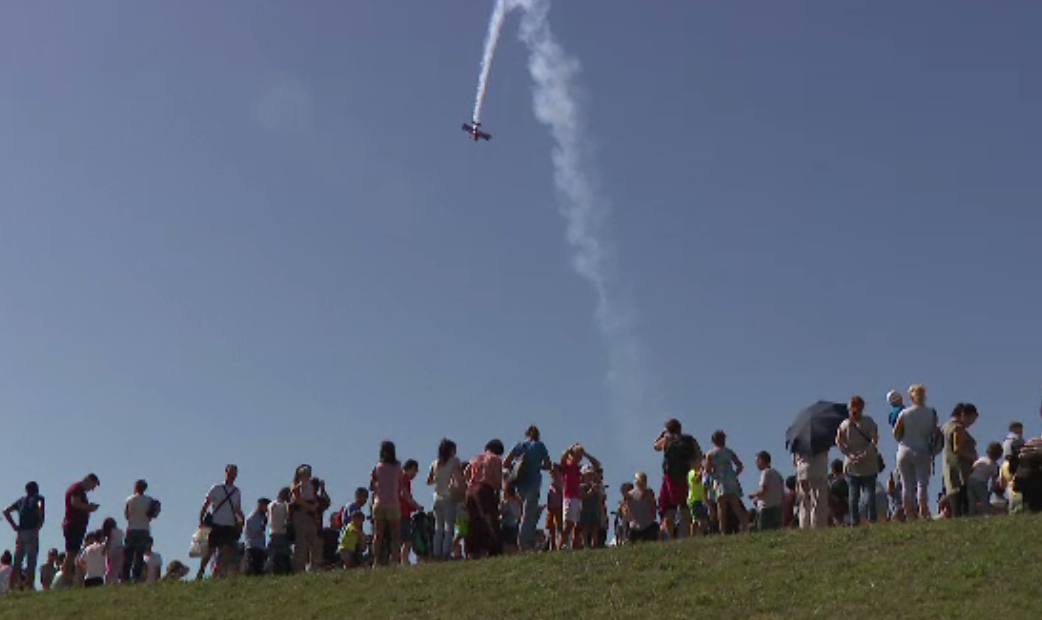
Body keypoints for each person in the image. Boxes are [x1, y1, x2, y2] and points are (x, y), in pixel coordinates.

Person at [503, 426, 552, 552]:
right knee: (528, 514)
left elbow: (505, 463)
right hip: (533, 483)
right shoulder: (540, 446)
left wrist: (515, 468)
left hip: (520, 484)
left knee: (524, 513)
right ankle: (524, 542)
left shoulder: (520, 446)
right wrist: (537, 466)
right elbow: (548, 465)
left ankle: (525, 540)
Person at [893, 384, 938, 520]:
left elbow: (896, 433)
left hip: (904, 449)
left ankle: (909, 513)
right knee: (922, 483)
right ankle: (923, 511)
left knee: (907, 484)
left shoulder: (904, 413)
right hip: (922, 449)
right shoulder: (931, 412)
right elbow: (934, 432)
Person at [836, 395, 881, 524]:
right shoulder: (869, 422)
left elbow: (838, 442)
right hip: (868, 463)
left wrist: (849, 455)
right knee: (869, 493)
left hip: (852, 464)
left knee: (853, 495)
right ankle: (871, 519)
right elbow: (875, 440)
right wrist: (865, 455)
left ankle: (855, 521)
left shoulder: (844, 424)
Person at [653, 419, 700, 540]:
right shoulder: (689, 440)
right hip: (686, 476)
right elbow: (698, 455)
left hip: (669, 478)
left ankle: (671, 537)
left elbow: (655, 447)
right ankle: (686, 535)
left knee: (669, 509)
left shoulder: (666, 440)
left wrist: (661, 435)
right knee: (685, 506)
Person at [197, 464, 244, 579]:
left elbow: (237, 509)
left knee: (226, 550)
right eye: (230, 473)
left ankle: (217, 573)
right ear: (226, 473)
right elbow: (206, 504)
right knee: (210, 550)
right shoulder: (216, 488)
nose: (232, 476)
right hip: (216, 523)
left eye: (234, 474)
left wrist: (242, 520)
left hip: (229, 524)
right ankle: (201, 570)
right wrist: (201, 519)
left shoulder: (236, 492)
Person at [465, 439, 506, 558]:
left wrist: (470, 483)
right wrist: (498, 493)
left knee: (473, 521)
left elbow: (466, 472)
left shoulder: (476, 458)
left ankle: (472, 550)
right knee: (490, 517)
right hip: (484, 488)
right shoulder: (495, 459)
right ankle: (495, 548)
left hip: (471, 490)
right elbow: (498, 480)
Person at [4, 481, 45, 591]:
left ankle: (11, 586)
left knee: (18, 560)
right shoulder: (39, 499)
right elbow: (40, 509)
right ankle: (29, 585)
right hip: (31, 531)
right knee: (31, 560)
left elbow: (6, 511)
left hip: (20, 532)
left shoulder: (21, 501)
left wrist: (14, 526)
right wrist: (39, 524)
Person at [559, 444, 601, 549]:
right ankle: (560, 546)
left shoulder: (579, 469)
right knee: (568, 525)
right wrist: (570, 449)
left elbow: (597, 464)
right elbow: (563, 459)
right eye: (577, 456)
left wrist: (585, 454)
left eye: (580, 457)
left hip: (577, 499)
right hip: (569, 498)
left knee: (577, 526)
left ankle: (574, 547)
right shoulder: (567, 467)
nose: (579, 458)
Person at [428, 439, 464, 560]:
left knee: (438, 527)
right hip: (449, 496)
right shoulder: (454, 461)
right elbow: (458, 477)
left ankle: (436, 552)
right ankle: (446, 552)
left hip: (436, 497)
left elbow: (429, 480)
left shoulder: (435, 463)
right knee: (449, 527)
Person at [704, 430, 747, 534]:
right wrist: (734, 475)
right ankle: (745, 526)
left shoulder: (710, 454)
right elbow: (740, 466)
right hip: (730, 479)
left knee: (721, 506)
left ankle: (722, 530)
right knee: (735, 504)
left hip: (719, 479)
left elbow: (708, 470)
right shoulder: (729, 451)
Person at [62, 473, 100, 586]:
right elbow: (75, 503)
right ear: (88, 480)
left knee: (72, 553)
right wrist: (89, 507)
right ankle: (66, 581)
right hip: (73, 525)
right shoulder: (77, 489)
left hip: (77, 525)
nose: (92, 489)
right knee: (71, 554)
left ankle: (68, 580)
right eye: (93, 486)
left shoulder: (78, 490)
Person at [942, 403, 979, 517]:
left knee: (954, 498)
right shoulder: (958, 428)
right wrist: (973, 457)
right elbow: (958, 448)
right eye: (971, 419)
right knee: (962, 501)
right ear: (964, 415)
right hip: (961, 469)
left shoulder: (946, 427)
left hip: (950, 466)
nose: (971, 424)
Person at [371, 441, 403, 566]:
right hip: (393, 502)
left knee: (378, 534)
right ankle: (395, 559)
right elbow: (400, 484)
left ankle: (376, 560)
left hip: (379, 501)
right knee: (395, 534)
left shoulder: (378, 467)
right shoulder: (397, 467)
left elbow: (372, 485)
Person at [123, 479, 160, 583]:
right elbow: (153, 515)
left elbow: (126, 515)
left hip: (132, 528)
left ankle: (125, 577)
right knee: (139, 556)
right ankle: (136, 577)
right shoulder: (149, 500)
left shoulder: (129, 499)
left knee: (128, 555)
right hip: (144, 529)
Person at [291, 465, 323, 573]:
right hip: (300, 514)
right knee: (301, 543)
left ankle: (313, 567)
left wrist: (315, 510)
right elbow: (296, 498)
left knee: (314, 542)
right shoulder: (296, 485)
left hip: (310, 516)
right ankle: (298, 568)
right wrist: (308, 506)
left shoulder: (311, 485)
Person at [748, 451, 784, 531]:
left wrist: (753, 495)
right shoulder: (777, 474)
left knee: (764, 530)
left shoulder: (765, 473)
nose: (756, 464)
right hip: (777, 506)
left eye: (757, 461)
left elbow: (763, 490)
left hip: (766, 507)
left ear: (761, 460)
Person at [794, 450, 829, 529]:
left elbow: (795, 459)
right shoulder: (822, 441)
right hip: (818, 470)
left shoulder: (799, 441)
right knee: (817, 501)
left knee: (804, 501)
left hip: (802, 470)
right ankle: (817, 525)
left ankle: (803, 524)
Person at [968, 442, 1003, 516]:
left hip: (971, 480)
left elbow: (973, 467)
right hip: (981, 482)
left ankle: (971, 515)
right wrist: (990, 492)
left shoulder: (981, 459)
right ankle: (986, 514)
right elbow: (993, 482)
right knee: (984, 500)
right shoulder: (994, 466)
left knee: (972, 500)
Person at [399, 459, 422, 565]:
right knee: (407, 540)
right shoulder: (404, 478)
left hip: (399, 511)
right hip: (403, 512)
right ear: (412, 468)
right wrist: (416, 506)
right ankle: (404, 561)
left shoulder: (398, 477)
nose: (415, 474)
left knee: (401, 539)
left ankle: (400, 559)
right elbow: (405, 496)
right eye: (415, 471)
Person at [624, 472, 659, 542]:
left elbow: (654, 507)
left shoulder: (649, 492)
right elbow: (628, 513)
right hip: (635, 527)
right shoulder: (630, 495)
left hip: (648, 525)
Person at [578, 466, 605, 549]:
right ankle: (585, 544)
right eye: (588, 475)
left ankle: (594, 544)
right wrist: (591, 491)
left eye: (592, 475)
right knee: (585, 528)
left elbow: (601, 499)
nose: (590, 477)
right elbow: (582, 496)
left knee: (595, 527)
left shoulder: (596, 486)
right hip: (585, 509)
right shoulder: (581, 486)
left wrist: (598, 491)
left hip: (595, 508)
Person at [267, 487, 292, 574]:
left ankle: (272, 570)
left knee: (273, 555)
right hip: (282, 532)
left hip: (273, 532)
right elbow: (288, 517)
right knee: (283, 554)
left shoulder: (271, 505)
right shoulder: (284, 506)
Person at [244, 498, 270, 576]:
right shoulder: (253, 517)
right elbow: (259, 531)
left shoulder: (261, 517)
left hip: (260, 546)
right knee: (253, 567)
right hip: (253, 546)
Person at [500, 482, 522, 553]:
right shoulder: (518, 502)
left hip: (507, 525)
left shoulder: (507, 503)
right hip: (515, 525)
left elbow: (503, 512)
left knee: (506, 543)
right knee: (513, 542)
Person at [101, 517, 124, 584]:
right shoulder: (120, 531)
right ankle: (119, 581)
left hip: (113, 551)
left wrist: (104, 550)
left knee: (111, 569)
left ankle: (109, 582)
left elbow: (109, 542)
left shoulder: (110, 532)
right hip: (121, 549)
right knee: (119, 568)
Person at [687, 462, 708, 536]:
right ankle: (697, 534)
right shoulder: (692, 473)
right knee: (699, 520)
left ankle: (695, 534)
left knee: (698, 520)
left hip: (700, 499)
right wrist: (702, 470)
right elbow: (697, 479)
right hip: (694, 500)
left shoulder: (699, 473)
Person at [545, 465, 563, 551]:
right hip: (551, 508)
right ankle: (551, 546)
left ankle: (560, 544)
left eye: (555, 471)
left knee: (559, 527)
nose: (553, 474)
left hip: (559, 507)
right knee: (551, 528)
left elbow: (562, 492)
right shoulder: (551, 485)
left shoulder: (561, 482)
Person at [827, 459, 849, 525]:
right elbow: (846, 497)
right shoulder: (842, 483)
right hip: (840, 507)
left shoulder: (829, 481)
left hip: (829, 507)